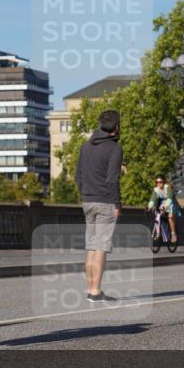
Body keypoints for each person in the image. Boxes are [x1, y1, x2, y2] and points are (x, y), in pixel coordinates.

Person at [75, 110, 123, 302]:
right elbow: (112, 179)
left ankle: (90, 288)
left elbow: (78, 175)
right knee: (101, 247)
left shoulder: (85, 147)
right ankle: (95, 291)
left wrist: (85, 193)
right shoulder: (114, 148)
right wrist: (117, 203)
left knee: (91, 247)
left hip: (88, 200)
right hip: (105, 201)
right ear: (117, 127)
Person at [147, 176, 181, 243]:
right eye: (157, 182)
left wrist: (165, 206)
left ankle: (173, 234)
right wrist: (149, 207)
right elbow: (153, 199)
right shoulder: (156, 190)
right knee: (157, 215)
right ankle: (158, 233)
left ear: (164, 182)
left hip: (171, 203)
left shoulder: (168, 187)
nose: (158, 184)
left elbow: (169, 198)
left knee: (170, 217)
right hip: (163, 203)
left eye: (160, 182)